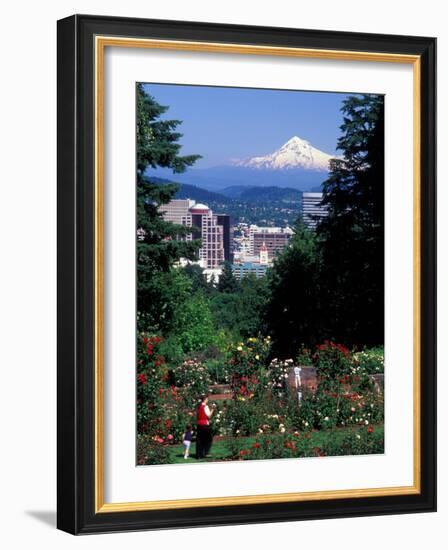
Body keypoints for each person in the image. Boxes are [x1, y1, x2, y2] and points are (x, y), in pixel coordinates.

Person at [196, 395, 215, 459]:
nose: (208, 400)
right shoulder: (205, 406)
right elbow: (209, 416)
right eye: (207, 399)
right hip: (204, 424)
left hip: (199, 424)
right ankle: (206, 453)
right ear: (205, 399)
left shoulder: (198, 406)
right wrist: (212, 409)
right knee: (208, 439)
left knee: (199, 440)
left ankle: (199, 455)